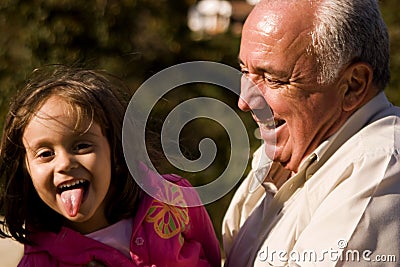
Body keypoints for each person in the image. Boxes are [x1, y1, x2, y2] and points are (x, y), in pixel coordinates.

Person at [223, 0, 400, 266]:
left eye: (272, 78)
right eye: (245, 71)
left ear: (353, 85)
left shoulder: (379, 166)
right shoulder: (277, 158)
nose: (244, 102)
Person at [0, 66, 221, 266]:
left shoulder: (173, 198)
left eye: (82, 146)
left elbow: (213, 255)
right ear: (26, 170)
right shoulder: (40, 262)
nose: (65, 163)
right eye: (46, 154)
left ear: (116, 151)